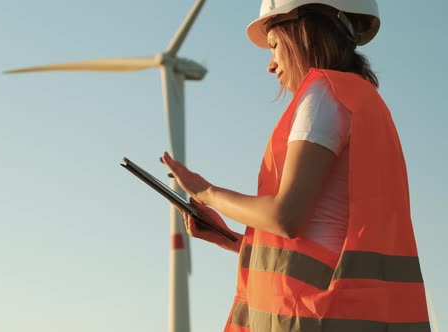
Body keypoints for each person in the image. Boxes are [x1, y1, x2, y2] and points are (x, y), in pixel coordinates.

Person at [162, 0, 431, 331]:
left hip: (309, 318)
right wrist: (229, 239)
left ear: (304, 31)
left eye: (274, 45)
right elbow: (323, 241)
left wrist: (206, 191)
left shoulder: (322, 93)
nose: (271, 65)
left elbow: (286, 217)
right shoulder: (363, 101)